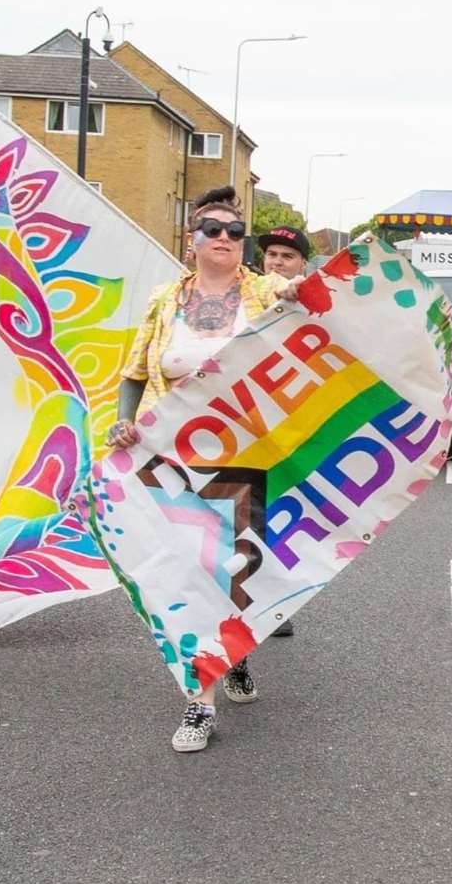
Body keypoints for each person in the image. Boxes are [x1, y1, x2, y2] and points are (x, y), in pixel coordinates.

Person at [106, 186, 304, 752]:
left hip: (248, 453)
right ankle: (200, 702)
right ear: (190, 241)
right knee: (188, 576)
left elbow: (294, 293)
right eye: (211, 230)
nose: (224, 238)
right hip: (172, 458)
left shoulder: (263, 291)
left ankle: (234, 651)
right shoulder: (164, 300)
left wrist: (293, 287)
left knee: (236, 573)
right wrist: (124, 424)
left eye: (235, 232)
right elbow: (135, 372)